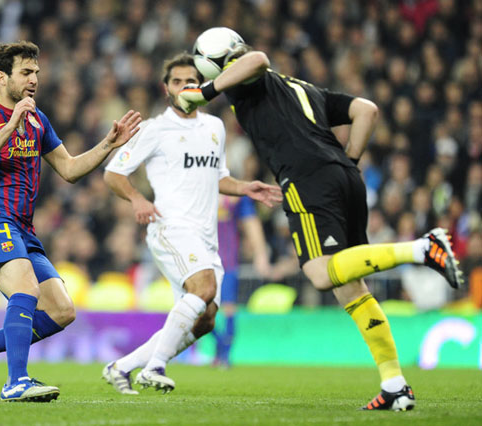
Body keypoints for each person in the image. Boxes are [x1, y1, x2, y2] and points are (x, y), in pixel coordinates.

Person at [178, 32, 462, 411]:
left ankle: (422, 249)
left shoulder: (246, 82)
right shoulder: (304, 89)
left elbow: (258, 59)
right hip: (346, 178)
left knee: (320, 273)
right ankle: (394, 384)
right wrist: (350, 161)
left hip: (307, 180)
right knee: (351, 289)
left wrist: (205, 92)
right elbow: (367, 110)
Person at [0, 41, 141, 402]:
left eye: (36, 72)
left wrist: (108, 144)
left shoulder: (38, 120)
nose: (34, 79)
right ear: (2, 77)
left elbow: (69, 169)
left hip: (24, 230)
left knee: (61, 311)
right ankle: (16, 382)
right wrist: (10, 124)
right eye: (26, 72)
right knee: (25, 290)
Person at [101, 52, 282, 395]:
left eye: (191, 81)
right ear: (166, 88)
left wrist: (245, 188)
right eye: (177, 81)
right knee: (204, 289)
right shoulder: (155, 129)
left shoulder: (214, 128)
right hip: (170, 227)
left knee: (206, 319)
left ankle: (122, 366)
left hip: (205, 236)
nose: (185, 86)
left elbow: (218, 177)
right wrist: (137, 199)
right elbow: (113, 174)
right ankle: (155, 367)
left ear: (202, 86)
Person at [213, 194, 271, 367]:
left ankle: (225, 355)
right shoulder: (195, 189)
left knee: (228, 308)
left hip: (227, 261)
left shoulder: (236, 194)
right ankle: (220, 346)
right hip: (198, 261)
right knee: (199, 311)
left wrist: (260, 253)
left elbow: (251, 222)